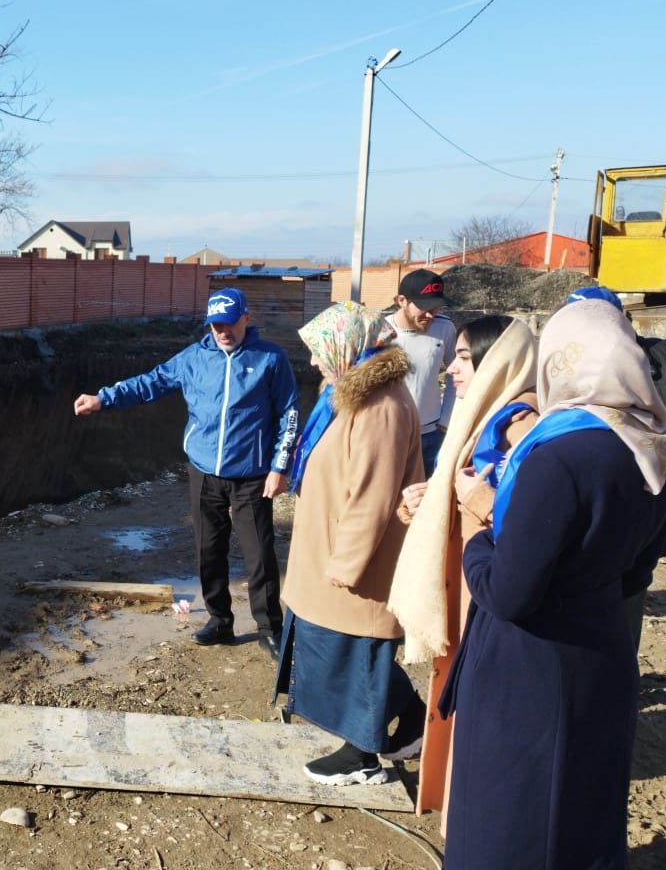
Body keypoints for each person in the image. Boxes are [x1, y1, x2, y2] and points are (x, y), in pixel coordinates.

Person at [438, 298, 666, 870]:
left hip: (528, 669)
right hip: (602, 650)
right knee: (580, 812)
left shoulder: (558, 455)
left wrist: (478, 530)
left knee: (510, 818)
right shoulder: (658, 446)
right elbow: (638, 571)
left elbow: (508, 592)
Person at [73, 287, 298, 656]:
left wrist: (280, 467)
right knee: (208, 550)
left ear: (247, 317)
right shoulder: (194, 358)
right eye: (216, 325)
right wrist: (103, 398)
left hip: (252, 475)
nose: (223, 331)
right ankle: (220, 621)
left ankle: (269, 628)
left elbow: (289, 414)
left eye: (229, 323)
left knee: (259, 554)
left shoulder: (270, 359)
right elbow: (152, 382)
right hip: (204, 472)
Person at [386, 315, 539, 820]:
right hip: (467, 583)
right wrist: (434, 502)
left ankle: (475, 819)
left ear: (500, 362)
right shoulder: (486, 416)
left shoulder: (524, 425)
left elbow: (529, 516)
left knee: (482, 715)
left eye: (466, 357)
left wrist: (463, 496)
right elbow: (470, 485)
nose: (452, 368)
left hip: (488, 592)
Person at [273, 301, 424, 785]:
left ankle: (363, 757)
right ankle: (413, 720)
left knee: (356, 651)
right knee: (340, 644)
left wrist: (349, 562)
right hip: (330, 548)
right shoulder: (353, 394)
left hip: (354, 558)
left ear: (348, 346)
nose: (315, 362)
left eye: (320, 352)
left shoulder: (380, 405)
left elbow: (373, 492)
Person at [568, 285, 666, 645]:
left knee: (625, 603)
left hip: (647, 510)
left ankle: (618, 686)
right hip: (585, 510)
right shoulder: (560, 369)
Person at [385, 268, 457, 475]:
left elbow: (456, 374)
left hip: (431, 433)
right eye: (424, 307)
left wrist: (446, 421)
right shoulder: (379, 331)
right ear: (402, 301)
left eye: (435, 307)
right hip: (390, 433)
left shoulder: (445, 327)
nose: (430, 314)